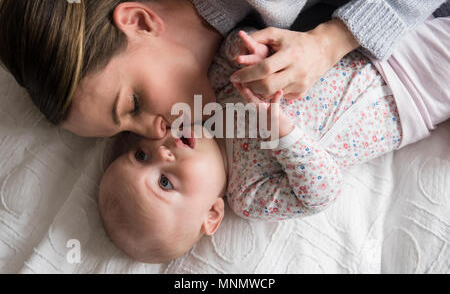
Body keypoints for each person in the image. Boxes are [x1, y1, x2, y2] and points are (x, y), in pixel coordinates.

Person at [97, 16, 450, 263]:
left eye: (141, 155)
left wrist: (254, 55)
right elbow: (321, 191)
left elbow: (234, 45)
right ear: (212, 214)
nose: (162, 151)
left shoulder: (209, 105)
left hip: (365, 41)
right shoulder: (248, 195)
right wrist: (280, 129)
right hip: (411, 92)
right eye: (164, 181)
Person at [0, 0, 448, 139]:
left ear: (139, 21)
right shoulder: (227, 38)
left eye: (132, 105)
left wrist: (331, 41)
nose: (154, 136)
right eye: (128, 132)